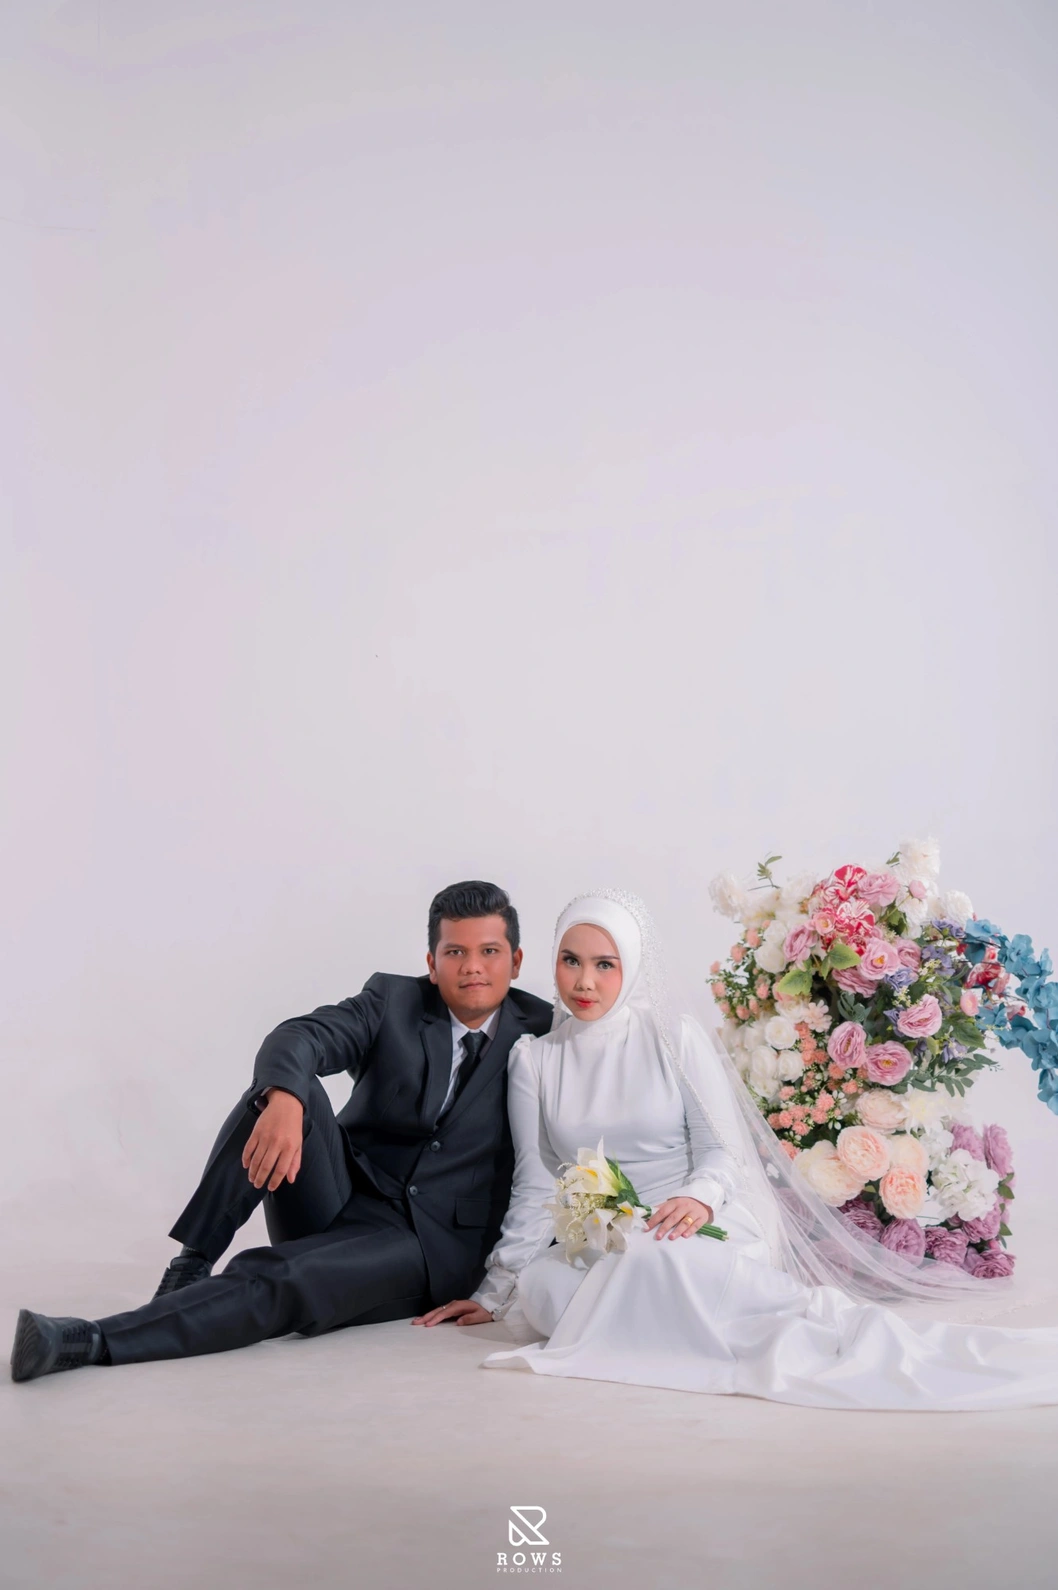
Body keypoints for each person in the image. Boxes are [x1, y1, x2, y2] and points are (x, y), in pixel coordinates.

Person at [414, 890, 1058, 1411]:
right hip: (604, 1242)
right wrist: (496, 1290)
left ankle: (800, 1336)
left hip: (699, 1219)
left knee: (656, 1261)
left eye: (605, 964)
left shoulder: (672, 1036)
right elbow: (535, 1183)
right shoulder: (535, 1060)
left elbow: (720, 1149)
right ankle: (667, 1315)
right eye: (570, 960)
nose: (585, 981)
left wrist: (698, 1198)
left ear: (631, 965)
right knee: (540, 1290)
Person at [11, 881, 553, 1382]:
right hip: (338, 1193)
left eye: (489, 951)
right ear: (432, 963)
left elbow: (579, 1145)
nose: (472, 967)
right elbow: (299, 1037)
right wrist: (287, 1098)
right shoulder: (394, 1000)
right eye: (455, 952)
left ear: (516, 961)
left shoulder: (550, 1036)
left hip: (427, 1245)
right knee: (279, 1092)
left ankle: (89, 1340)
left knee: (280, 1275)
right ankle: (192, 1265)